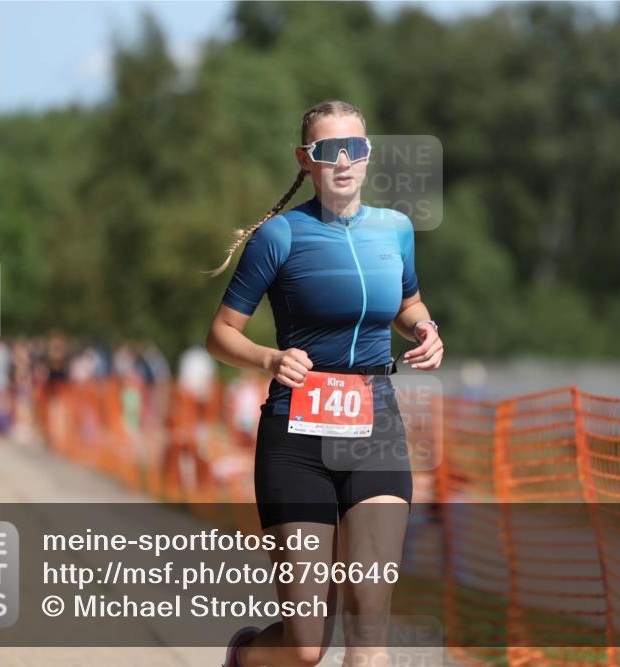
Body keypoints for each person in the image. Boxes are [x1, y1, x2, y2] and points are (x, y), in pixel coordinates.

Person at [205, 99, 444, 667]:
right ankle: (245, 657)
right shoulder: (279, 237)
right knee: (308, 647)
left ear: (367, 156)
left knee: (369, 637)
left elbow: (407, 303)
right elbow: (220, 335)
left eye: (354, 148)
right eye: (327, 150)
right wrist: (267, 359)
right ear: (306, 160)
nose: (343, 161)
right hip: (297, 437)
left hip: (376, 429)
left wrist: (426, 328)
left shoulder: (396, 229)